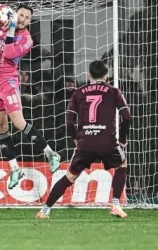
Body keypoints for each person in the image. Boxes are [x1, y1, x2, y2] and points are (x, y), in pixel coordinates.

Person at [0, 4, 60, 189]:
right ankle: (14, 168)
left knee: (19, 123)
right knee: (1, 126)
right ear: (15, 14)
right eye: (21, 15)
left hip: (7, 81)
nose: (23, 19)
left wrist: (11, 28)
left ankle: (51, 153)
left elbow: (9, 53)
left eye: (27, 18)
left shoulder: (27, 39)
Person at [36, 60, 131, 219]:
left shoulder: (79, 92)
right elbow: (127, 117)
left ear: (89, 75)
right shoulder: (114, 91)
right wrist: (122, 138)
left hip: (85, 142)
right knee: (122, 165)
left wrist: (75, 138)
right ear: (106, 75)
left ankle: (45, 210)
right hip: (107, 142)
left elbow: (69, 121)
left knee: (69, 177)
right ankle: (115, 203)